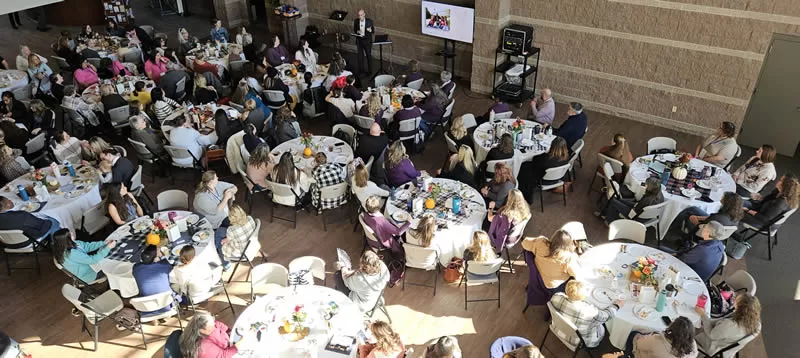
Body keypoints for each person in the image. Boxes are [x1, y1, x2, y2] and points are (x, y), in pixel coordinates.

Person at [550, 280, 622, 348]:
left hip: (557, 329)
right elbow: (606, 316)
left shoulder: (556, 297)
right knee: (601, 326)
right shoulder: (589, 312)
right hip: (579, 342)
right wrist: (616, 306)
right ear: (583, 296)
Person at [695, 293, 761, 357]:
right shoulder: (757, 324)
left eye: (736, 302)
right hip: (728, 345)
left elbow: (710, 334)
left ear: (741, 309)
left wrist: (703, 315)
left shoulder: (731, 326)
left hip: (715, 346)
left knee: (689, 337)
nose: (733, 301)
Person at [522, 229, 582, 293]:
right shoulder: (568, 259)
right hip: (553, 286)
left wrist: (539, 240)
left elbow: (524, 243)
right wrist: (574, 254)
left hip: (538, 276)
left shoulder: (541, 243)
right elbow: (578, 276)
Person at [518, 136, 572, 202]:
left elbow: (535, 159)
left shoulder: (546, 159)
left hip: (544, 180)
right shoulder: (566, 158)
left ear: (552, 146)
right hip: (558, 178)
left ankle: (523, 194)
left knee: (525, 167)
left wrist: (545, 153)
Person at [132, 245, 175, 316]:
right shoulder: (164, 265)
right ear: (155, 259)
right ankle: (166, 315)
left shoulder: (136, 268)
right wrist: (163, 257)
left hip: (146, 307)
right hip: (166, 304)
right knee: (175, 284)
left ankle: (154, 317)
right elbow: (170, 265)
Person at [179, 312, 246, 358]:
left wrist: (230, 331)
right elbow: (224, 355)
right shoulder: (203, 347)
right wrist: (241, 341)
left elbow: (218, 324)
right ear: (202, 330)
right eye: (211, 326)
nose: (214, 326)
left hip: (228, 345)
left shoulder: (203, 326)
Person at [628, 316, 698, 358]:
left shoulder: (657, 342)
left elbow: (639, 343)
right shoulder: (692, 345)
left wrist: (640, 336)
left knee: (633, 334)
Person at [219, 204, 256, 269]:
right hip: (252, 246)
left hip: (241, 252)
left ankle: (225, 264)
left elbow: (228, 240)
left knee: (220, 242)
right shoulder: (250, 218)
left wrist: (224, 241)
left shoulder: (231, 229)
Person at [353, 9, 375, 74]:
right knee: (360, 57)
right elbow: (355, 30)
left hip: (367, 41)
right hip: (359, 41)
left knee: (368, 56)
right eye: (359, 15)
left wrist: (370, 30)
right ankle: (361, 71)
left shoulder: (369, 21)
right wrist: (357, 31)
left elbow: (373, 31)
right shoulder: (356, 21)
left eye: (361, 15)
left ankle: (370, 71)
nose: (360, 16)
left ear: (364, 14)